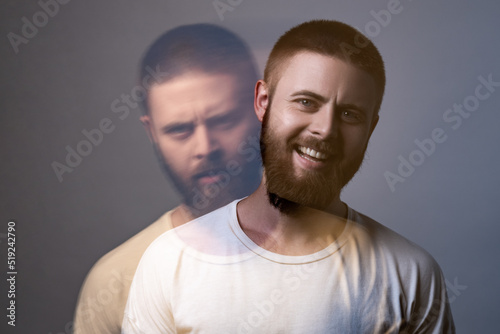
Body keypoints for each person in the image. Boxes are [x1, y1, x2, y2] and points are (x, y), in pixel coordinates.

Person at [122, 20, 455, 333]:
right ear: (263, 103)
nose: (325, 130)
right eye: (306, 102)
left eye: (350, 114)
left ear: (371, 129)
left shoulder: (410, 273)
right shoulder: (167, 262)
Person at [73, 24, 262, 334]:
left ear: (261, 109)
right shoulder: (116, 282)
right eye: (179, 130)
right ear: (151, 132)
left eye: (223, 121)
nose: (205, 148)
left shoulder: (347, 253)